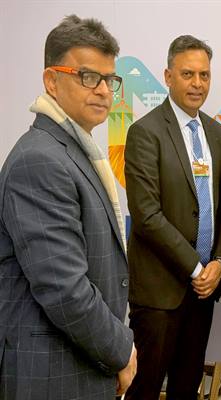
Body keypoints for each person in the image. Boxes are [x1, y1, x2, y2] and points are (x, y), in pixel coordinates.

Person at [0, 15, 136, 399]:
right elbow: (65, 291)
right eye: (88, 76)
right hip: (53, 373)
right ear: (51, 81)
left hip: (78, 363)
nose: (104, 90)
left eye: (110, 79)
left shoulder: (72, 150)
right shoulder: (40, 160)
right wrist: (121, 351)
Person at [124, 35, 221, 399]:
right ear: (168, 77)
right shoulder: (145, 132)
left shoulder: (216, 134)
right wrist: (196, 268)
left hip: (203, 292)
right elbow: (146, 215)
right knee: (145, 388)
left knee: (187, 388)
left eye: (204, 75)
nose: (197, 83)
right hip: (159, 293)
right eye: (188, 74)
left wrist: (218, 262)